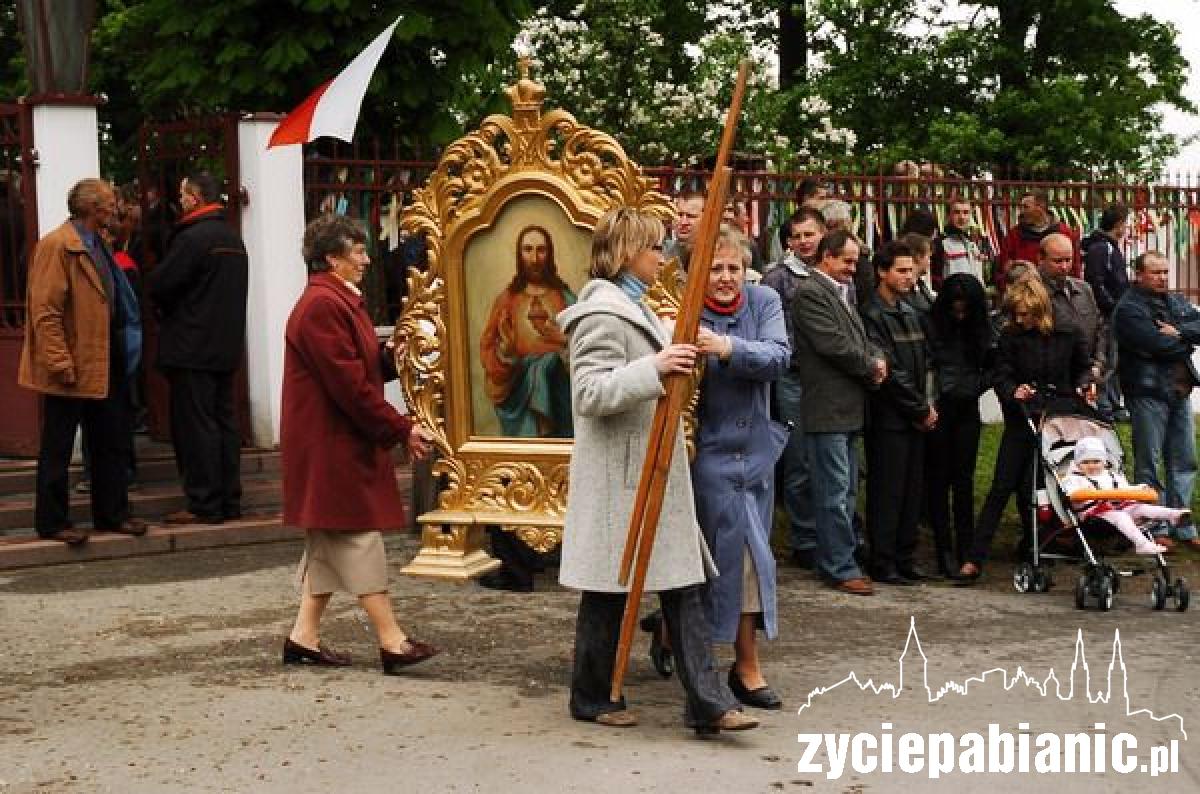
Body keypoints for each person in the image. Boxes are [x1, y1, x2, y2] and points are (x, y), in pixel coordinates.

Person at [556, 207, 755, 735]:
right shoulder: (600, 314)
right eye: (653, 249)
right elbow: (590, 393)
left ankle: (707, 701)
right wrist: (656, 367)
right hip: (622, 475)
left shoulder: (634, 307)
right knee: (608, 591)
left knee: (683, 585)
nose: (662, 257)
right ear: (625, 253)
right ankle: (592, 695)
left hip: (654, 471)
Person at [281, 214, 439, 674]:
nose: (366, 260)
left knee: (329, 542)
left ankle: (303, 637)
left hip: (331, 440)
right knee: (358, 536)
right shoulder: (322, 306)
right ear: (331, 259)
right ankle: (392, 640)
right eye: (357, 252)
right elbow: (349, 385)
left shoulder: (332, 301)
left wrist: (388, 359)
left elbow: (356, 367)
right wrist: (400, 427)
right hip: (331, 444)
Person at [691, 227, 789, 710]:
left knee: (747, 551)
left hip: (757, 453)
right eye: (715, 268)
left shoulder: (764, 300)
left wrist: (726, 348)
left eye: (734, 268)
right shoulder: (684, 304)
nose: (726, 278)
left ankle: (685, 638)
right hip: (705, 454)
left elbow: (778, 357)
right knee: (730, 554)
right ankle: (743, 664)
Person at [18, 178, 147, 544]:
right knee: (58, 446)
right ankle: (53, 522)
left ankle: (112, 514)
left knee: (110, 440)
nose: (116, 209)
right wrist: (60, 362)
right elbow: (46, 311)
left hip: (104, 358)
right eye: (110, 202)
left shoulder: (99, 244)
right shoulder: (58, 246)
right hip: (72, 363)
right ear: (93, 208)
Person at [959, 279, 1089, 582]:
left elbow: (1082, 367)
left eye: (1026, 315)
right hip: (1023, 417)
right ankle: (975, 557)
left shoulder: (1068, 333)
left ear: (1041, 311)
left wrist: (1085, 385)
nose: (1020, 321)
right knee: (1002, 484)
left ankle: (1051, 544)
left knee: (1051, 487)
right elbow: (1002, 373)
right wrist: (1012, 391)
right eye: (1017, 315)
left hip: (1057, 417)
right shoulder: (1011, 336)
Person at [792, 229, 888, 595]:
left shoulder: (839, 292)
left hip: (845, 407)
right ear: (827, 257)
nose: (853, 269)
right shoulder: (811, 293)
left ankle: (840, 557)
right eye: (847, 261)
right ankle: (838, 564)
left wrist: (877, 358)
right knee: (833, 491)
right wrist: (870, 365)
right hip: (828, 408)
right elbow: (834, 345)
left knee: (845, 490)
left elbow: (860, 340)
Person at [149, 174, 248, 525]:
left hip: (191, 347)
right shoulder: (233, 239)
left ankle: (204, 502)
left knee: (196, 427)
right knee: (224, 424)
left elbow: (160, 284)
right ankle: (228, 499)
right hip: (224, 347)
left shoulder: (192, 239)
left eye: (182, 193)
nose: (180, 200)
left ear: (194, 197)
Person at [860, 241, 937, 584]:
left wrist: (927, 406)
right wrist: (919, 407)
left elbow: (927, 364)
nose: (909, 277)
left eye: (912, 270)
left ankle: (905, 555)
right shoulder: (872, 313)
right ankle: (883, 558)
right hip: (889, 416)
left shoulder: (911, 311)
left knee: (912, 488)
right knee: (887, 490)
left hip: (916, 415)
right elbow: (889, 370)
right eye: (901, 271)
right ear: (882, 271)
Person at [1113, 251, 1200, 550]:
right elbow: (1154, 344)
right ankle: (1155, 524)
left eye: (1165, 272)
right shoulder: (1128, 309)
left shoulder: (1175, 301)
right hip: (1147, 392)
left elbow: (1196, 328)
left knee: (1185, 460)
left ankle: (1183, 525)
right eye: (1155, 272)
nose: (1163, 277)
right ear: (1139, 275)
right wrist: (1184, 342)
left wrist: (1180, 333)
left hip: (1180, 390)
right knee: (1149, 462)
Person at [761, 207, 826, 568]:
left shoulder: (831, 272)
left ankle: (830, 532)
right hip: (793, 375)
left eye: (810, 234)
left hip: (828, 379)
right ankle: (804, 538)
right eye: (797, 236)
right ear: (788, 241)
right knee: (799, 457)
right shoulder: (777, 278)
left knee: (831, 459)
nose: (804, 241)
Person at [479, 224, 575, 438]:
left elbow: (585, 340)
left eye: (541, 250)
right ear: (519, 254)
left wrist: (562, 342)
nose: (534, 258)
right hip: (518, 396)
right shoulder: (506, 301)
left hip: (562, 399)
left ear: (549, 254)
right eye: (528, 249)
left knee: (546, 365)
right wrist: (506, 354)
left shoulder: (565, 298)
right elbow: (487, 349)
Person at [926, 274, 994, 578]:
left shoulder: (980, 328)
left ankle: (964, 546)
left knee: (963, 480)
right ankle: (944, 548)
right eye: (955, 307)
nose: (960, 312)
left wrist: (972, 386)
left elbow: (994, 364)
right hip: (942, 405)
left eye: (964, 308)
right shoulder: (935, 324)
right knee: (939, 479)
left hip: (965, 405)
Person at [1062, 436, 1178, 555]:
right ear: (1077, 463)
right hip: (1094, 516)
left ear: (1104, 461)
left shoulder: (1112, 476)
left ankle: (1172, 515)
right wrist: (1088, 493)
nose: (1091, 466)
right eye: (1085, 462)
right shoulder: (1073, 479)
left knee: (1141, 508)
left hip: (1120, 509)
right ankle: (1142, 544)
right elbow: (1072, 494)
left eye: (1096, 461)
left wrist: (1140, 489)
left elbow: (1126, 490)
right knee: (1121, 516)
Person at [1038, 232, 1106, 393]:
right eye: (1057, 261)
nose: (1064, 267)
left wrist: (1098, 365)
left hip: (1087, 376)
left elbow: (1100, 329)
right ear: (1041, 259)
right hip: (1053, 383)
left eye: (1068, 260)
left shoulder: (1084, 289)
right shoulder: (1033, 293)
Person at [1081, 203, 1131, 420]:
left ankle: (1113, 404)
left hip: (1114, 313)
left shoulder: (1107, 246)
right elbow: (1096, 282)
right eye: (1125, 224)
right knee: (1106, 359)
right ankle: (1104, 406)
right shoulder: (1102, 248)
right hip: (1107, 315)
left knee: (1115, 359)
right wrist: (1112, 307)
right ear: (1119, 225)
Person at [995, 189, 1079, 292]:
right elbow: (1003, 270)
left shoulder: (1065, 233)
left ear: (1040, 207)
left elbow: (1075, 268)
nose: (1021, 211)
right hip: (1026, 296)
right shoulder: (1014, 236)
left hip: (1059, 294)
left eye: (1026, 207)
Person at [932, 197, 985, 286]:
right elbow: (935, 280)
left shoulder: (972, 243)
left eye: (966, 212)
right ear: (948, 216)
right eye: (956, 212)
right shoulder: (940, 244)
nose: (962, 217)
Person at [664, 190, 704, 262]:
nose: (683, 222)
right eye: (679, 215)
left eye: (691, 216)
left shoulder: (718, 255)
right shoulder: (662, 256)